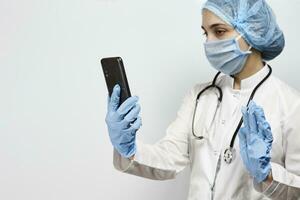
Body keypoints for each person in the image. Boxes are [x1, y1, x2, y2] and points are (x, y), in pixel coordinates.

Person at [104, 0, 300, 199]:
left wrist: (266, 174)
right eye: (206, 33)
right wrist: (128, 148)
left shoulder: (291, 105)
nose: (209, 42)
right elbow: (170, 157)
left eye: (219, 31)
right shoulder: (199, 95)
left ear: (253, 32)